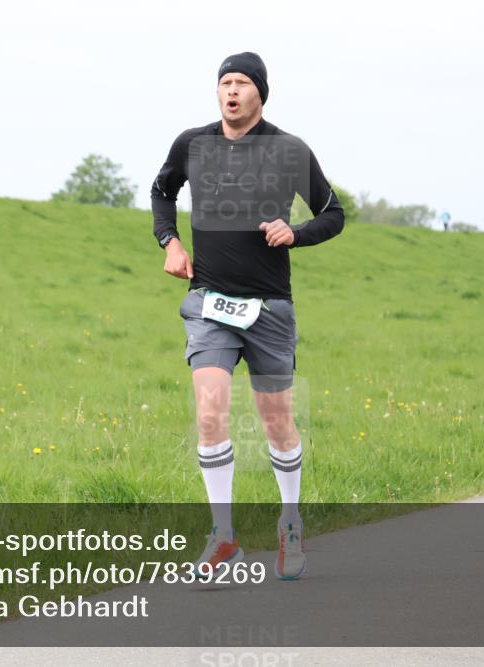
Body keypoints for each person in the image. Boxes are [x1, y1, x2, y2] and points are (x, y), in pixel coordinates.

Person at [151, 52, 344, 579]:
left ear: (260, 92)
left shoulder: (289, 149)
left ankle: (290, 521)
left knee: (276, 422)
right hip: (209, 302)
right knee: (209, 411)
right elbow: (162, 190)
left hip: (269, 306)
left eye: (241, 83)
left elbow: (333, 214)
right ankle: (223, 537)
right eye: (225, 82)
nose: (231, 91)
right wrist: (170, 242)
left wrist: (295, 233)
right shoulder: (193, 144)